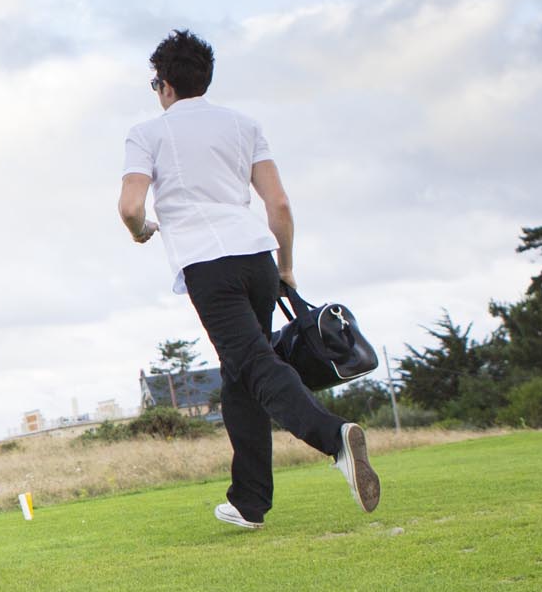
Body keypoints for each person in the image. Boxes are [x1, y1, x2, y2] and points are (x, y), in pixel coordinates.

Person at [117, 29, 381, 529]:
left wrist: (142, 231)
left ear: (166, 85)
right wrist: (284, 267)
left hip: (207, 265)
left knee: (255, 364)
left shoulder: (147, 133)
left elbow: (130, 206)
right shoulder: (245, 125)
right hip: (257, 256)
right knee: (240, 376)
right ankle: (249, 501)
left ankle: (335, 438)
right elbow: (278, 204)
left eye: (156, 82)